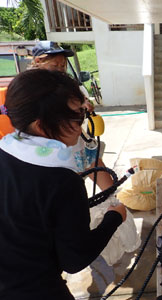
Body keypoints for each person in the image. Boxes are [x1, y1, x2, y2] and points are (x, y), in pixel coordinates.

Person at [0, 69, 127, 300]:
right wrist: (114, 218)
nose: (81, 125)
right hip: (37, 289)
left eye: (82, 113)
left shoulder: (6, 153)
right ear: (41, 125)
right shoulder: (61, 180)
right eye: (77, 117)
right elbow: (75, 259)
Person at [30, 41, 113, 191]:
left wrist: (83, 103)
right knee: (69, 183)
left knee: (92, 161)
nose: (61, 69)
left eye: (63, 65)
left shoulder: (66, 83)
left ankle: (115, 197)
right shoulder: (31, 87)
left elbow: (78, 99)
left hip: (76, 139)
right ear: (38, 62)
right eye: (55, 65)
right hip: (52, 146)